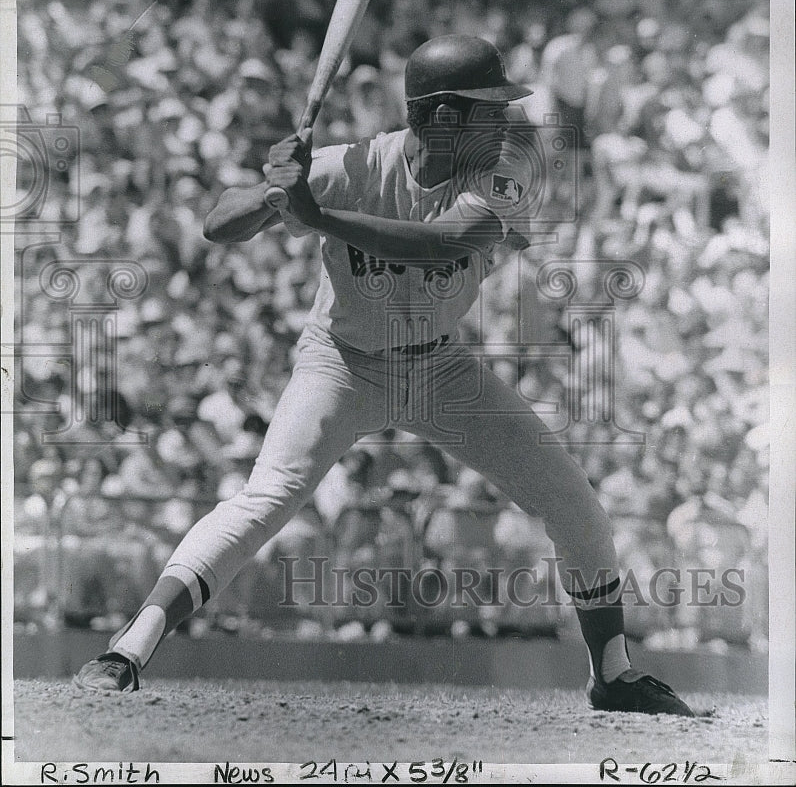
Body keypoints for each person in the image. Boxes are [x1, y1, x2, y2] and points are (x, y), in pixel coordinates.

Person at [74, 35, 693, 715]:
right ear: (438, 116)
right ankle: (128, 648)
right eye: (488, 109)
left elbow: (446, 245)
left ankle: (614, 675)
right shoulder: (351, 165)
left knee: (573, 501)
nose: (506, 120)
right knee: (267, 498)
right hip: (341, 360)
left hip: (441, 365)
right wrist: (273, 194)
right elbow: (219, 226)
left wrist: (314, 214)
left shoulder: (508, 166)